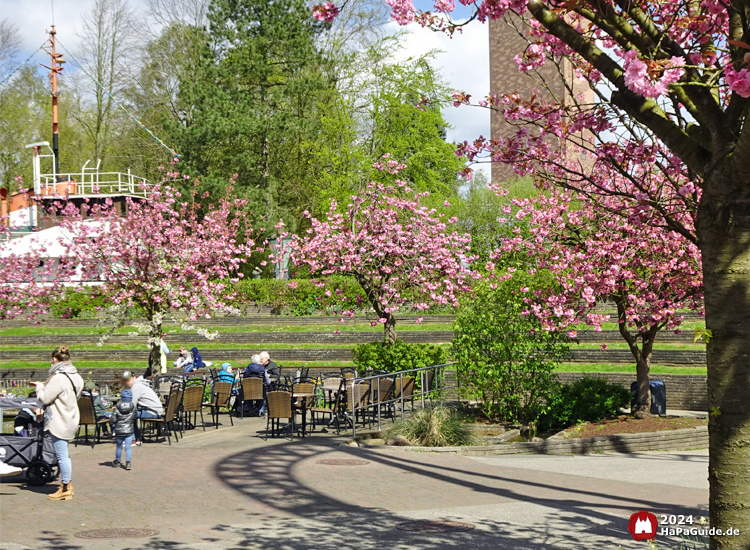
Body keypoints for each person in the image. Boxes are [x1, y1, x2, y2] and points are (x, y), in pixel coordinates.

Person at [31, 345, 83, 501]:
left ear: (55, 360)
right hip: (71, 417)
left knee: (62, 455)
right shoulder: (77, 376)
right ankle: (67, 486)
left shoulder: (58, 378)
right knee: (63, 454)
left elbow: (45, 398)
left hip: (60, 420)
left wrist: (40, 386)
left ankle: (66, 487)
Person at [120, 371, 164, 445]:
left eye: (128, 380)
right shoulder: (140, 385)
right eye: (125, 380)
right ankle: (137, 438)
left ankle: (132, 440)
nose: (127, 382)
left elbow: (132, 404)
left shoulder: (136, 387)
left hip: (153, 412)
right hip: (155, 410)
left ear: (134, 378)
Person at [110, 389, 137, 470]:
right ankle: (128, 463)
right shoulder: (133, 408)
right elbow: (134, 417)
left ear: (121, 398)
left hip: (119, 431)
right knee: (128, 447)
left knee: (119, 446)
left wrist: (111, 418)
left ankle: (118, 461)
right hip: (129, 431)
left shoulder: (117, 408)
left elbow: (113, 420)